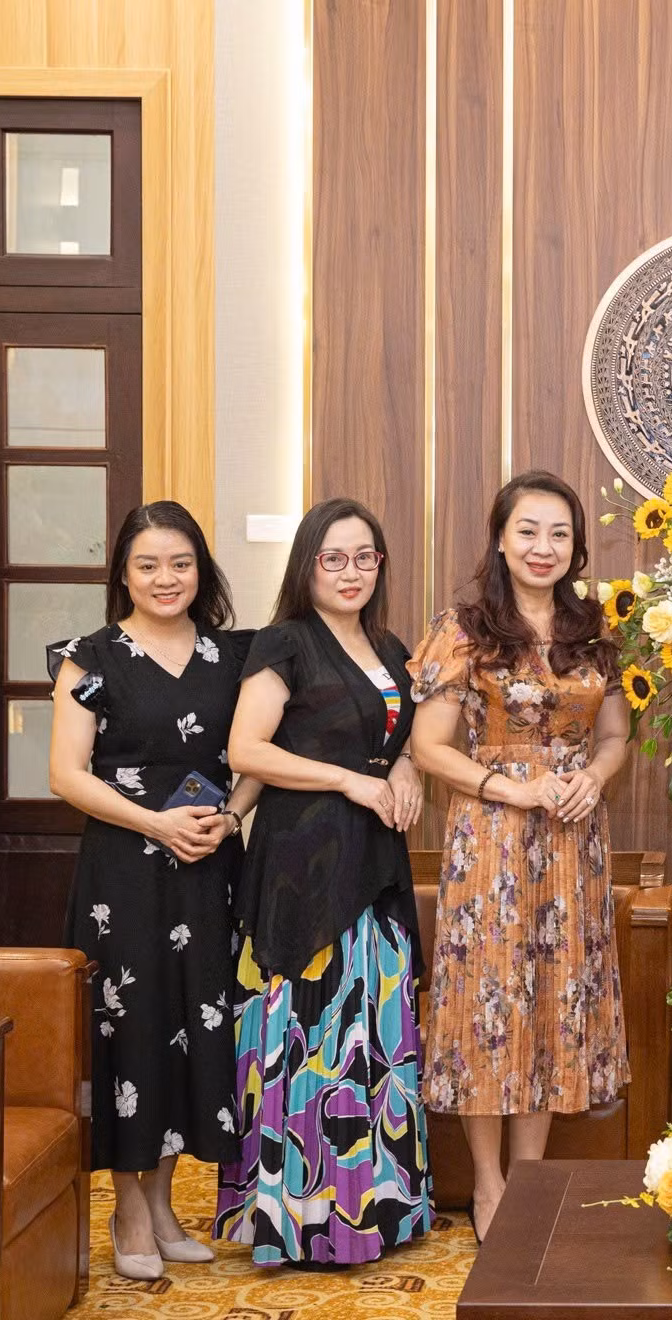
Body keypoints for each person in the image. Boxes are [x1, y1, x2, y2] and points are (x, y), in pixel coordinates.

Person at [407, 471, 631, 1243]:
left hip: (573, 841)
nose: (543, 547)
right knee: (487, 1002)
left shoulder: (594, 627)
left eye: (558, 533)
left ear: (575, 546)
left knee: (552, 1002)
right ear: (501, 537)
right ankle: (490, 1183)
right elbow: (428, 749)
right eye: (528, 530)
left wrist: (594, 781)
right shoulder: (463, 627)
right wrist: (515, 789)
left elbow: (614, 735)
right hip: (491, 840)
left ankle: (531, 1179)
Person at [213, 497, 431, 1268]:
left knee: (371, 1035)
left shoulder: (389, 644)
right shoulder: (286, 641)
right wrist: (350, 781)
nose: (350, 572)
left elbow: (402, 736)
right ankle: (299, 1217)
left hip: (372, 861)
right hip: (301, 867)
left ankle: (375, 1210)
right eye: (333, 558)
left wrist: (401, 768)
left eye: (364, 557)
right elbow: (248, 749)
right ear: (307, 564)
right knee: (310, 1040)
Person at [45, 501, 255, 1281]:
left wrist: (230, 816)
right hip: (123, 876)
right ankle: (128, 1208)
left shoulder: (234, 655)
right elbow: (66, 774)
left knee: (192, 1027)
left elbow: (256, 752)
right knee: (130, 1029)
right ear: (123, 575)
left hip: (207, 868)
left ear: (201, 569)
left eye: (181, 563)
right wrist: (154, 825)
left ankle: (164, 1203)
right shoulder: (89, 658)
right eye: (148, 565)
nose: (166, 579)